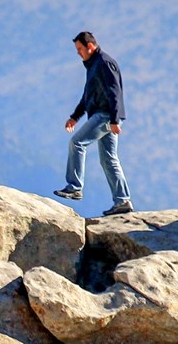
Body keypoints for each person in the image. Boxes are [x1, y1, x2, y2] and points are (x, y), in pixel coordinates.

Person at [54, 31, 134, 215]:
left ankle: (74, 187)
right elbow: (88, 95)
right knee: (108, 159)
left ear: (90, 46)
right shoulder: (93, 65)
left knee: (77, 143)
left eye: (80, 49)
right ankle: (123, 201)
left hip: (105, 115)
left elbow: (114, 92)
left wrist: (114, 119)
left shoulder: (104, 63)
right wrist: (75, 116)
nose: (78, 53)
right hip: (105, 115)